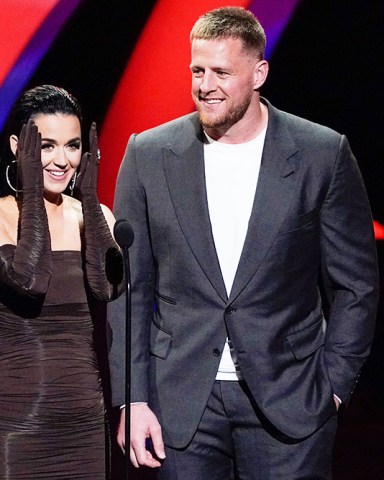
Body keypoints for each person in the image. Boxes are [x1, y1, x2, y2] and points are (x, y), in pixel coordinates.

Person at [108, 7, 379, 479]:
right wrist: (133, 396)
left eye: (221, 72)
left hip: (292, 401)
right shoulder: (147, 154)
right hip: (182, 403)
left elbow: (356, 284)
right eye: (197, 70)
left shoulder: (321, 153)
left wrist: (334, 384)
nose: (205, 84)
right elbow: (131, 288)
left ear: (259, 73)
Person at [0, 84, 124, 478]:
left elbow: (109, 287)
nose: (61, 159)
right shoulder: (1, 216)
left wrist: (89, 201)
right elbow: (29, 280)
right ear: (19, 146)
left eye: (72, 146)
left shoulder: (95, 215)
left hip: (84, 420)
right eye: (46, 146)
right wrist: (33, 192)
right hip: (18, 423)